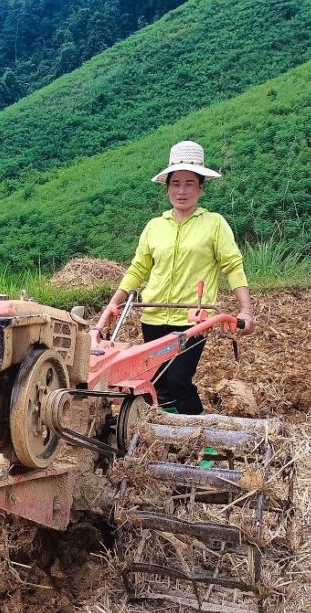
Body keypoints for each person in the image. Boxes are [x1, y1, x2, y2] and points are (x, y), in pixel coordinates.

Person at [105, 140, 255, 415]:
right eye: (176, 183)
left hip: (192, 321)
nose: (182, 191)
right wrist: (113, 305)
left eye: (189, 183)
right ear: (167, 187)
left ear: (200, 187)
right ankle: (172, 438)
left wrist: (245, 310)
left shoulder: (214, 224)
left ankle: (205, 437)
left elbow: (232, 266)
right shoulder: (154, 226)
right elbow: (138, 269)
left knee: (178, 380)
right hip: (152, 316)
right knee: (157, 385)